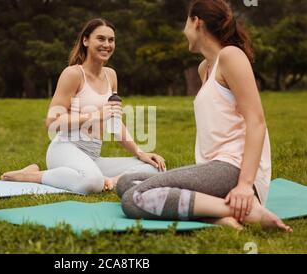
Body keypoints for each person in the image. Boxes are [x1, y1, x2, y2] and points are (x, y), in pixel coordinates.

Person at [117, 0, 292, 232]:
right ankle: (216, 216)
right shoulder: (204, 68)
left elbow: (256, 122)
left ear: (196, 22)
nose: (183, 31)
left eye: (185, 23)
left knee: (135, 197)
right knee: (126, 182)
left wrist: (245, 185)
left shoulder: (230, 56)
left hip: (234, 168)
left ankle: (247, 210)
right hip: (213, 169)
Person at [1, 18, 166, 194]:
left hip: (92, 157)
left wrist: (140, 152)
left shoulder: (111, 75)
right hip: (65, 150)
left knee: (155, 168)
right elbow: (52, 122)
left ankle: (108, 181)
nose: (107, 44)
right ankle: (31, 175)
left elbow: (114, 123)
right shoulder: (73, 74)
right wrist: (95, 115)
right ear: (85, 41)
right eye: (101, 39)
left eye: (111, 40)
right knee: (91, 182)